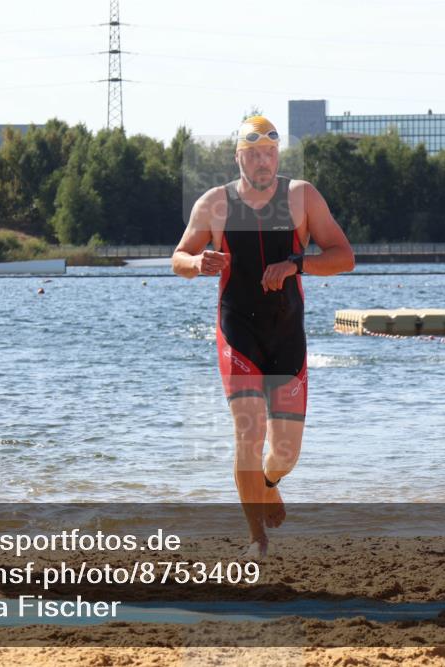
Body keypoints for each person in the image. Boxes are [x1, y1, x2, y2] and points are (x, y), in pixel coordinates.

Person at [171, 115, 355, 558]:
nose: (262, 161)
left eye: (270, 153)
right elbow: (179, 255)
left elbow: (343, 256)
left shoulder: (302, 196)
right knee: (248, 434)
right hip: (239, 332)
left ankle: (269, 483)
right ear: (237, 157)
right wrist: (197, 265)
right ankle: (257, 538)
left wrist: (297, 263)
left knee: (285, 454)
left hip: (287, 333)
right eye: (252, 153)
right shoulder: (214, 204)